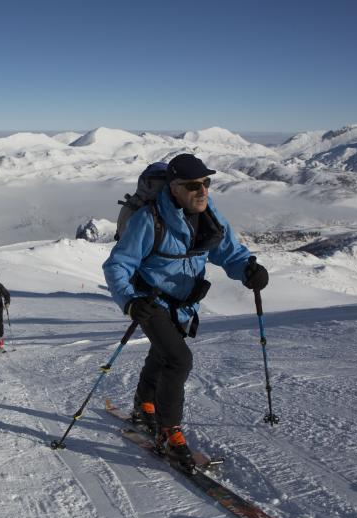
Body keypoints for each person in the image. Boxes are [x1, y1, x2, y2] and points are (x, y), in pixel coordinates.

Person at [102, 153, 269, 470]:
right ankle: (169, 431)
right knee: (179, 358)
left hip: (183, 302)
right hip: (150, 301)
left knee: (163, 354)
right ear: (174, 187)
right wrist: (130, 300)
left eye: (206, 182)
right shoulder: (149, 219)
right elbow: (117, 265)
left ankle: (144, 405)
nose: (202, 190)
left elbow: (227, 250)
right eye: (193, 185)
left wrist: (248, 269)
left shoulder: (207, 214)